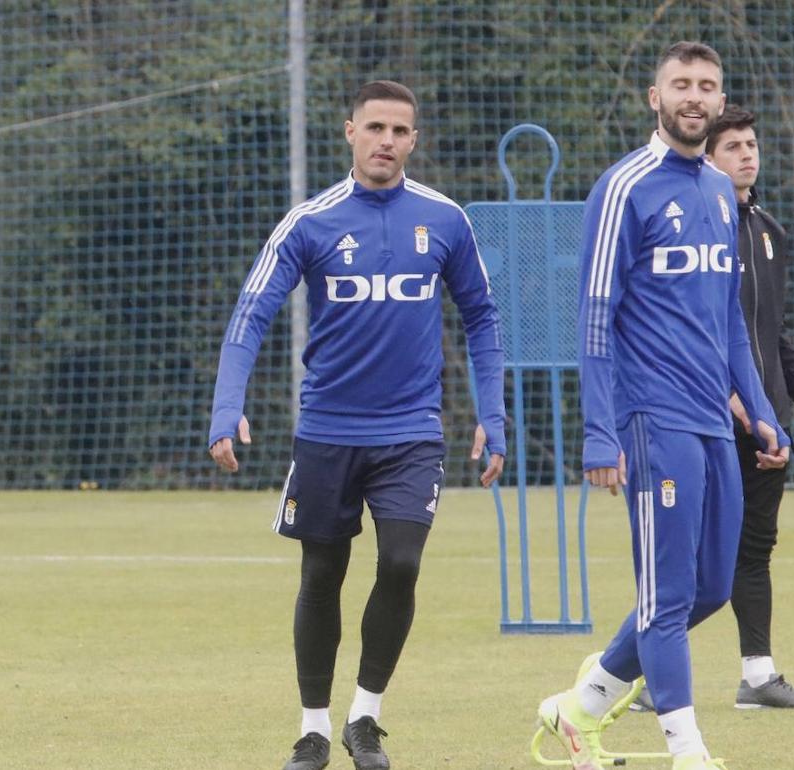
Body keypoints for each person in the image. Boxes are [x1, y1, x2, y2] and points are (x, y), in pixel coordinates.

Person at [208, 80, 506, 770]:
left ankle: (364, 720)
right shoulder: (311, 221)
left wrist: (492, 413)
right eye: (375, 127)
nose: (387, 141)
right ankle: (313, 730)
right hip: (327, 431)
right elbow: (251, 314)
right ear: (349, 131)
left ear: (413, 140)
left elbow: (483, 318)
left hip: (411, 432)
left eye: (400, 131)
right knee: (322, 573)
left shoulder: (445, 219)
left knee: (401, 563)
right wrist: (229, 406)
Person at [535, 43, 790, 770]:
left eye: (707, 86)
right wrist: (598, 431)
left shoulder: (716, 188)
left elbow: (730, 320)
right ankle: (689, 749)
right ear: (656, 96)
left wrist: (759, 405)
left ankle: (579, 707)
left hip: (715, 418)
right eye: (681, 84)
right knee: (667, 591)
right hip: (651, 417)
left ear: (717, 100)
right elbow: (593, 316)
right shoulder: (624, 188)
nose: (694, 96)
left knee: (710, 586)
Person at [705, 105, 794, 709]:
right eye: (733, 147)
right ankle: (637, 675)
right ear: (709, 158)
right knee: (690, 551)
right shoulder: (695, 229)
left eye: (751, 144)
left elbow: (773, 330)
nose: (747, 154)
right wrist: (730, 397)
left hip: (767, 424)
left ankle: (757, 676)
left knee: (754, 548)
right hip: (709, 417)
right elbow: (690, 328)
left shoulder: (771, 231)